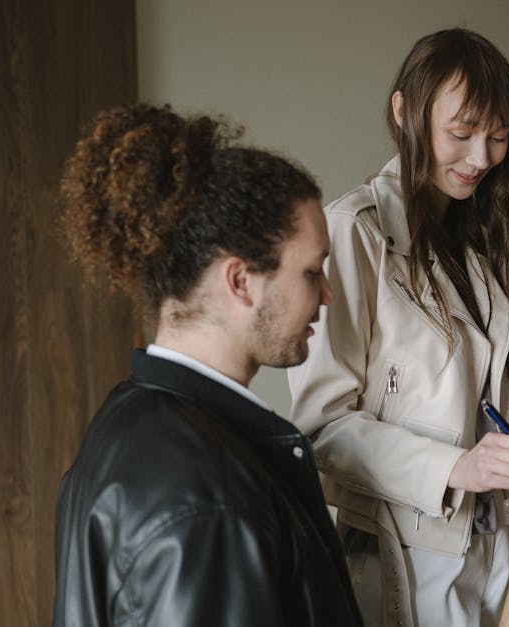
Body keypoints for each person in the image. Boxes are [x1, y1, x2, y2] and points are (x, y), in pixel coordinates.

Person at [287, 28, 509, 626]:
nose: (483, 157)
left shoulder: (470, 244)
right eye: (462, 134)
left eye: (499, 135)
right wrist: (455, 468)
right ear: (404, 112)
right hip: (398, 557)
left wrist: (506, 452)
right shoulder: (352, 233)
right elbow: (323, 426)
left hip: (485, 548)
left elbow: (456, 405)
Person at [52, 103, 362, 626]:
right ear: (240, 281)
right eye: (312, 272)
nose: (328, 295)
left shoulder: (128, 419)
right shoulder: (208, 494)